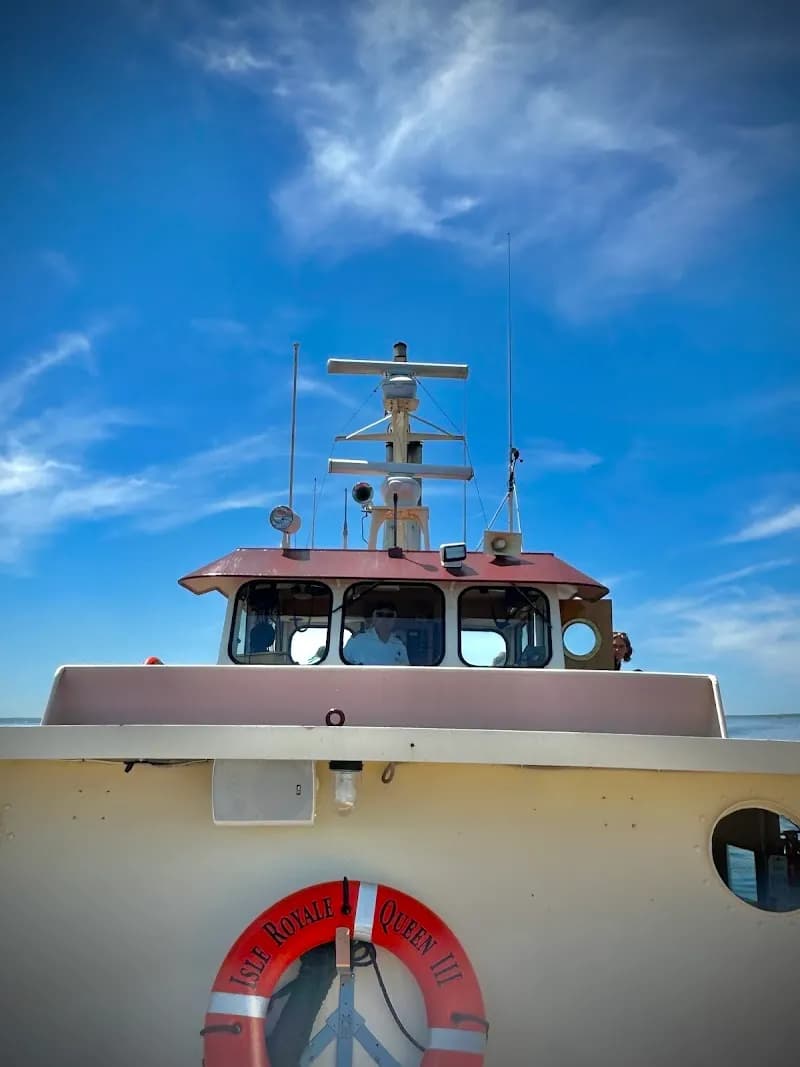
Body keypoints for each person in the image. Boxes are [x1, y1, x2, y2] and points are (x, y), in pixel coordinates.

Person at [344, 602, 409, 666]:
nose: (384, 619)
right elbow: (343, 664)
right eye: (380, 615)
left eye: (389, 615)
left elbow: (405, 670)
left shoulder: (399, 644)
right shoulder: (358, 640)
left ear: (395, 620)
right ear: (374, 618)